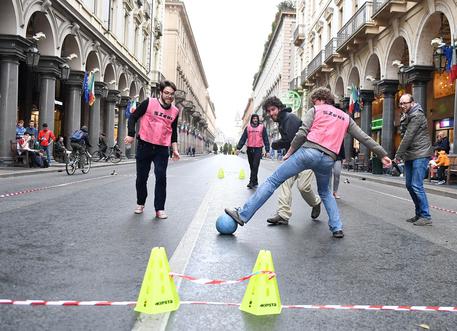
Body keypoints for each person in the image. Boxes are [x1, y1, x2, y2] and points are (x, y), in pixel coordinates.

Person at [225, 87, 391, 239]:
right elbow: (364, 137)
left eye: (314, 100)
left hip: (307, 153)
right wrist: (382, 154)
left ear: (320, 100)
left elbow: (302, 133)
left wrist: (289, 152)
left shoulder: (316, 110)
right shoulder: (345, 117)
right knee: (325, 192)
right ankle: (337, 227)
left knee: (273, 180)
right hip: (328, 159)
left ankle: (242, 214)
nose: (313, 103)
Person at [124, 80, 180, 219]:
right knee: (141, 177)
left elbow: (173, 132)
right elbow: (133, 117)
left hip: (161, 149)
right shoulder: (149, 102)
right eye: (166, 93)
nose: (169, 96)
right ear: (161, 92)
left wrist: (175, 149)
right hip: (144, 145)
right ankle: (140, 203)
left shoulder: (175, 111)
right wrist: (131, 134)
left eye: (172, 94)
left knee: (161, 177)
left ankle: (159, 208)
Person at [261, 96, 321, 225]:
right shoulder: (283, 121)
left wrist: (276, 144)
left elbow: (294, 139)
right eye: (269, 111)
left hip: (305, 156)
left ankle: (316, 202)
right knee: (285, 183)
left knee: (303, 187)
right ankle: (283, 214)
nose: (271, 113)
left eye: (273, 109)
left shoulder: (290, 118)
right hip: (292, 158)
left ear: (279, 108)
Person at [395, 94, 433, 226]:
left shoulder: (417, 115)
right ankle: (419, 214)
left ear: (412, 102)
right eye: (401, 103)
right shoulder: (406, 115)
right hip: (411, 154)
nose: (403, 105)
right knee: (409, 185)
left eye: (405, 103)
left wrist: (398, 155)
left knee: (416, 185)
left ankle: (426, 216)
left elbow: (408, 136)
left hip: (420, 153)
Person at [235, 114, 270, 189]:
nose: (255, 120)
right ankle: (255, 181)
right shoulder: (248, 128)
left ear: (258, 119)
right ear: (252, 119)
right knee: (252, 166)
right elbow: (243, 138)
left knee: (255, 165)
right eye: (254, 118)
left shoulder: (262, 127)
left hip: (258, 149)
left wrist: (267, 150)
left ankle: (251, 182)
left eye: (256, 118)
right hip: (250, 149)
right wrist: (238, 148)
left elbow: (266, 139)